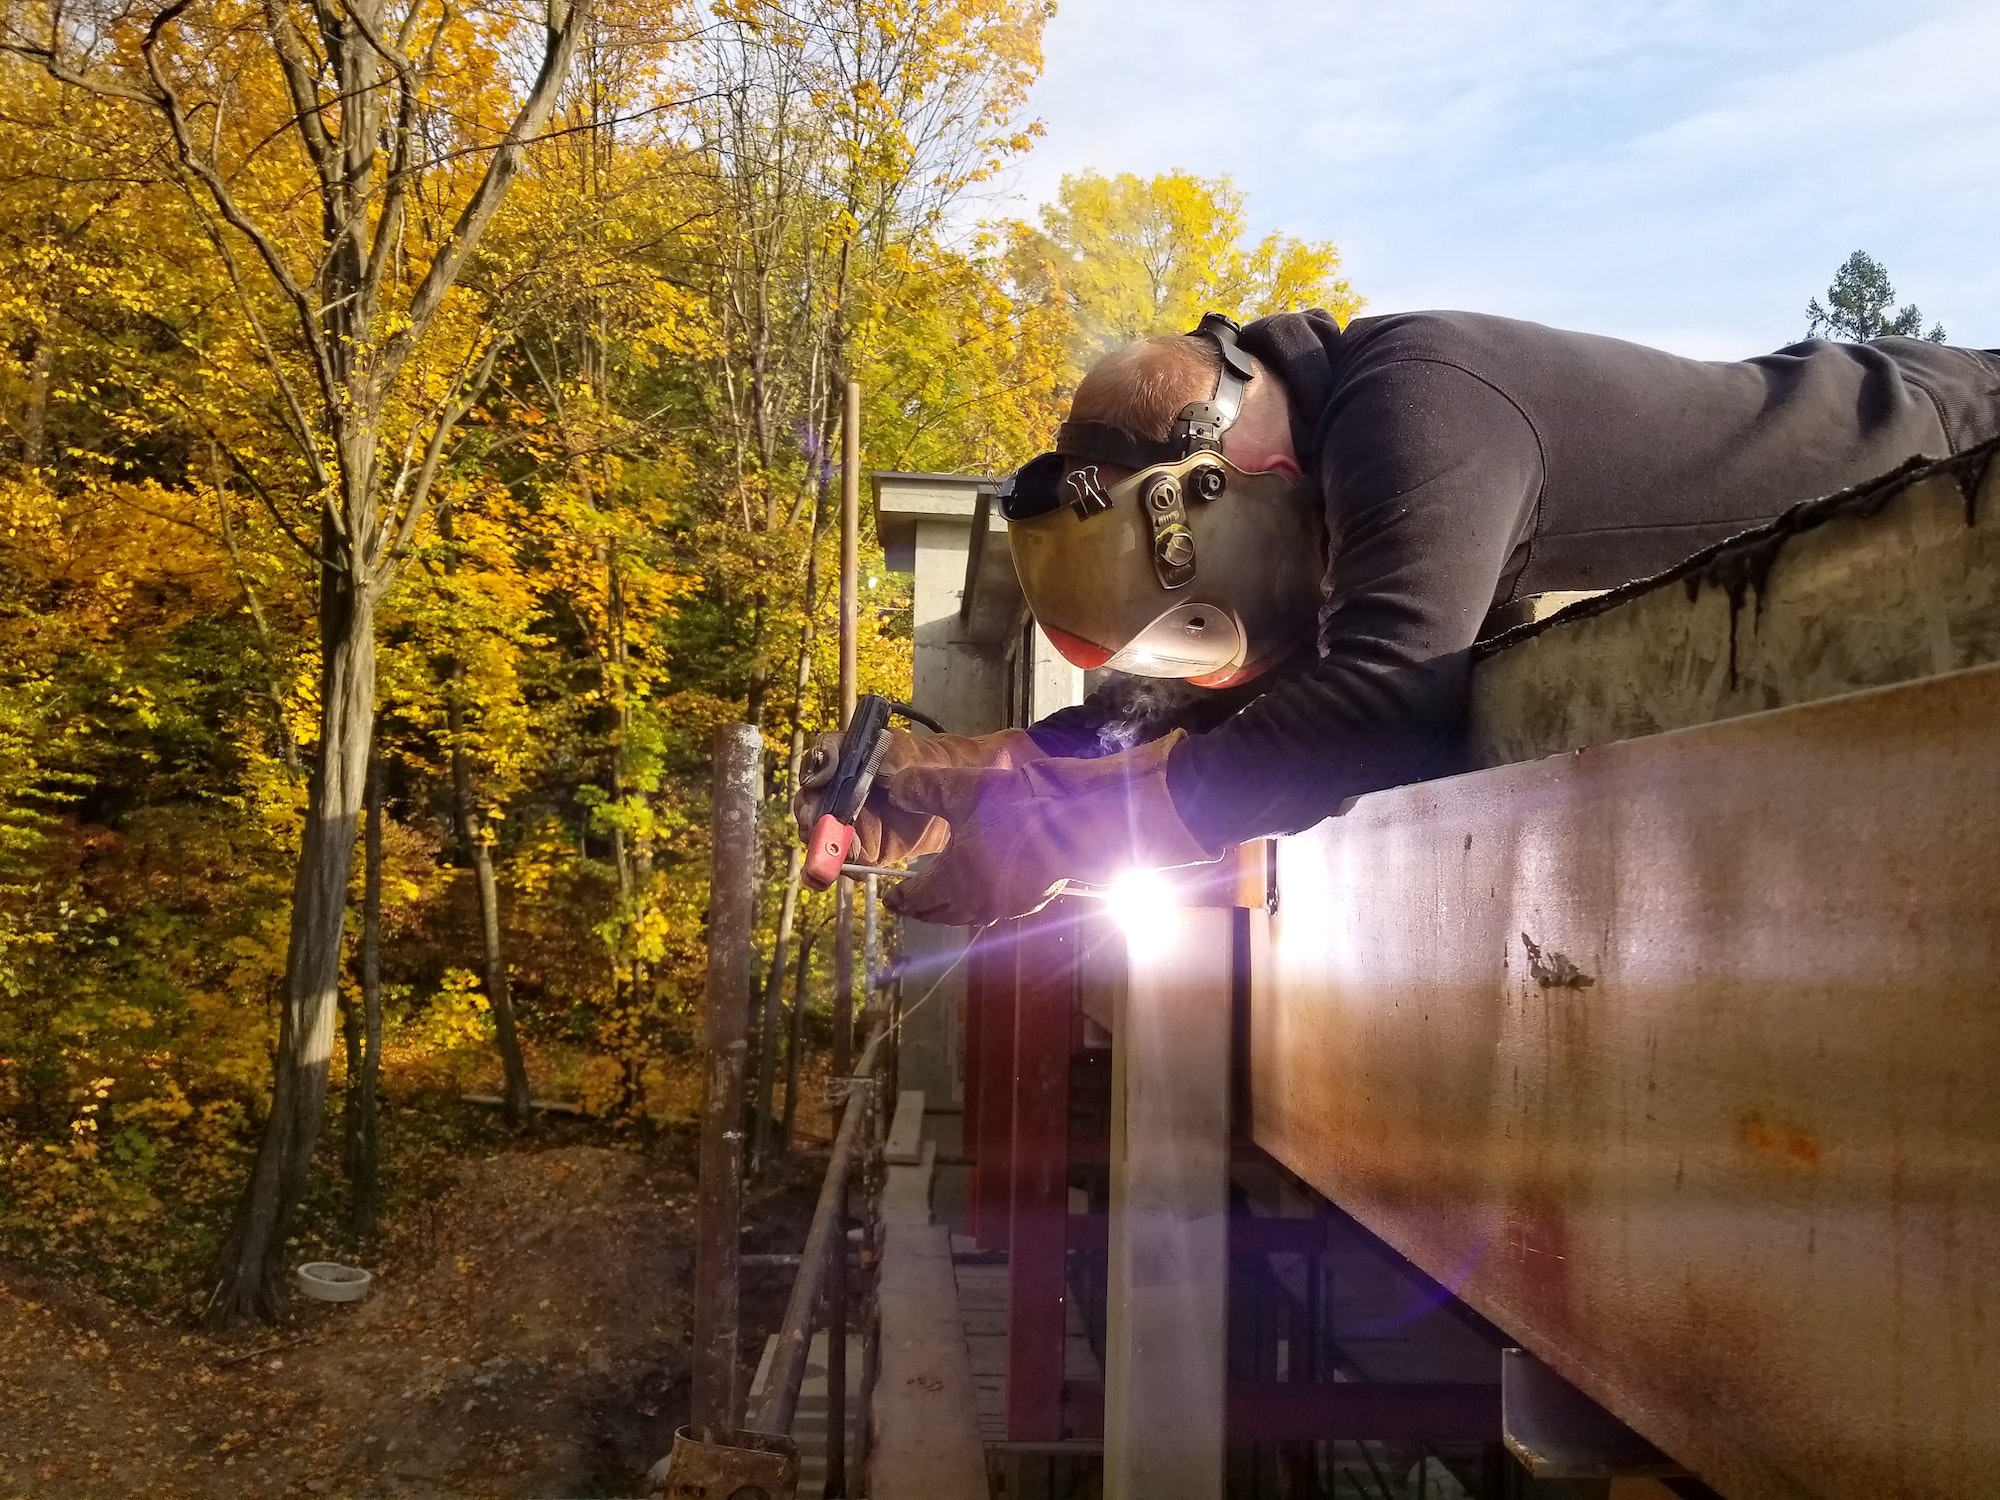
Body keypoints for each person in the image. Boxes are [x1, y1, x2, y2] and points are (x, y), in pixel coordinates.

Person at [798, 309, 2000, 925]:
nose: (1208, 656)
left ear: (1206, 496)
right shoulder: (1332, 476)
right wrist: (965, 776)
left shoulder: (1414, 400)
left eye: (1191, 619)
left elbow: (1379, 706)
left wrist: (1057, 830)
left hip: (1966, 451)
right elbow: (1158, 715)